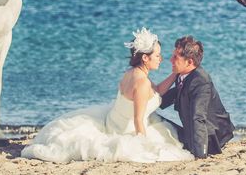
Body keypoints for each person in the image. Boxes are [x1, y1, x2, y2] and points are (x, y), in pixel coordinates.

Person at [21, 28, 193, 163]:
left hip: (112, 121)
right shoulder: (142, 83)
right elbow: (138, 120)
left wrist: (175, 75)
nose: (161, 59)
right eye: (157, 55)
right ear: (145, 58)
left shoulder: (132, 73)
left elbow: (156, 91)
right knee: (170, 144)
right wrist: (144, 144)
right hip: (126, 130)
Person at [160, 36, 235, 159]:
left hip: (210, 139)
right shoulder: (182, 75)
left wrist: (200, 155)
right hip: (191, 132)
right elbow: (166, 99)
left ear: (189, 62)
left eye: (175, 57)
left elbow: (198, 118)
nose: (170, 60)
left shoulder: (201, 81)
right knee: (156, 121)